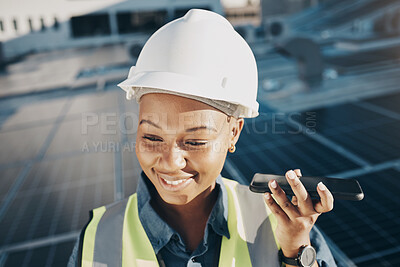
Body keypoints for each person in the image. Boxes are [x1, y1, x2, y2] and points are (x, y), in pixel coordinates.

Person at [69, 9, 336, 267]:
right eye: (151, 136)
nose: (171, 162)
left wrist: (295, 252)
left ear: (234, 132)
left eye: (195, 142)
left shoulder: (286, 222)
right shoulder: (98, 237)